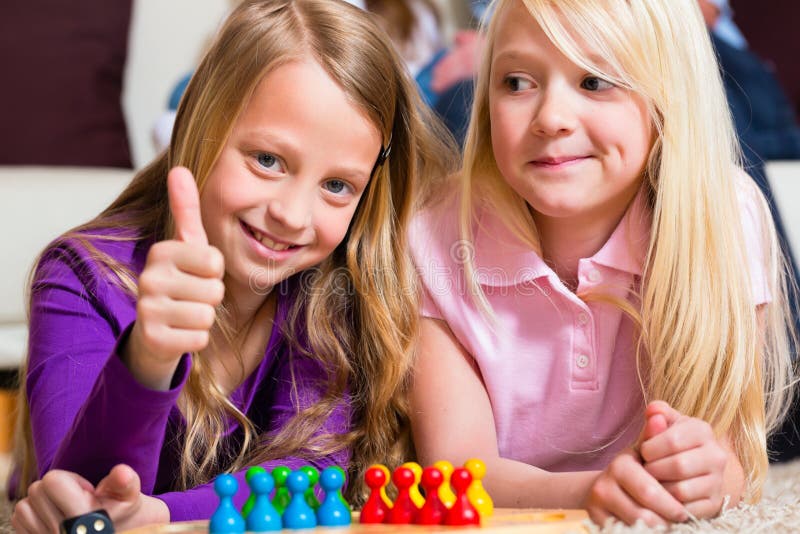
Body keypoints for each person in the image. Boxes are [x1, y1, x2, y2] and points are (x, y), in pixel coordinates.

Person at [9, 0, 455, 531]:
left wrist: (163, 515)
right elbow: (78, 501)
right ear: (201, 123)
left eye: (337, 186)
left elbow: (310, 476)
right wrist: (150, 357)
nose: (291, 215)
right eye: (267, 160)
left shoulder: (329, 288)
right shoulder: (81, 278)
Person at [408, 0, 796, 528]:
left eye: (594, 82)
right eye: (517, 82)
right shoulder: (431, 234)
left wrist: (703, 475)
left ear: (668, 96)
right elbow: (453, 473)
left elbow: (733, 462)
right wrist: (595, 489)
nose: (551, 119)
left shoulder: (723, 215)